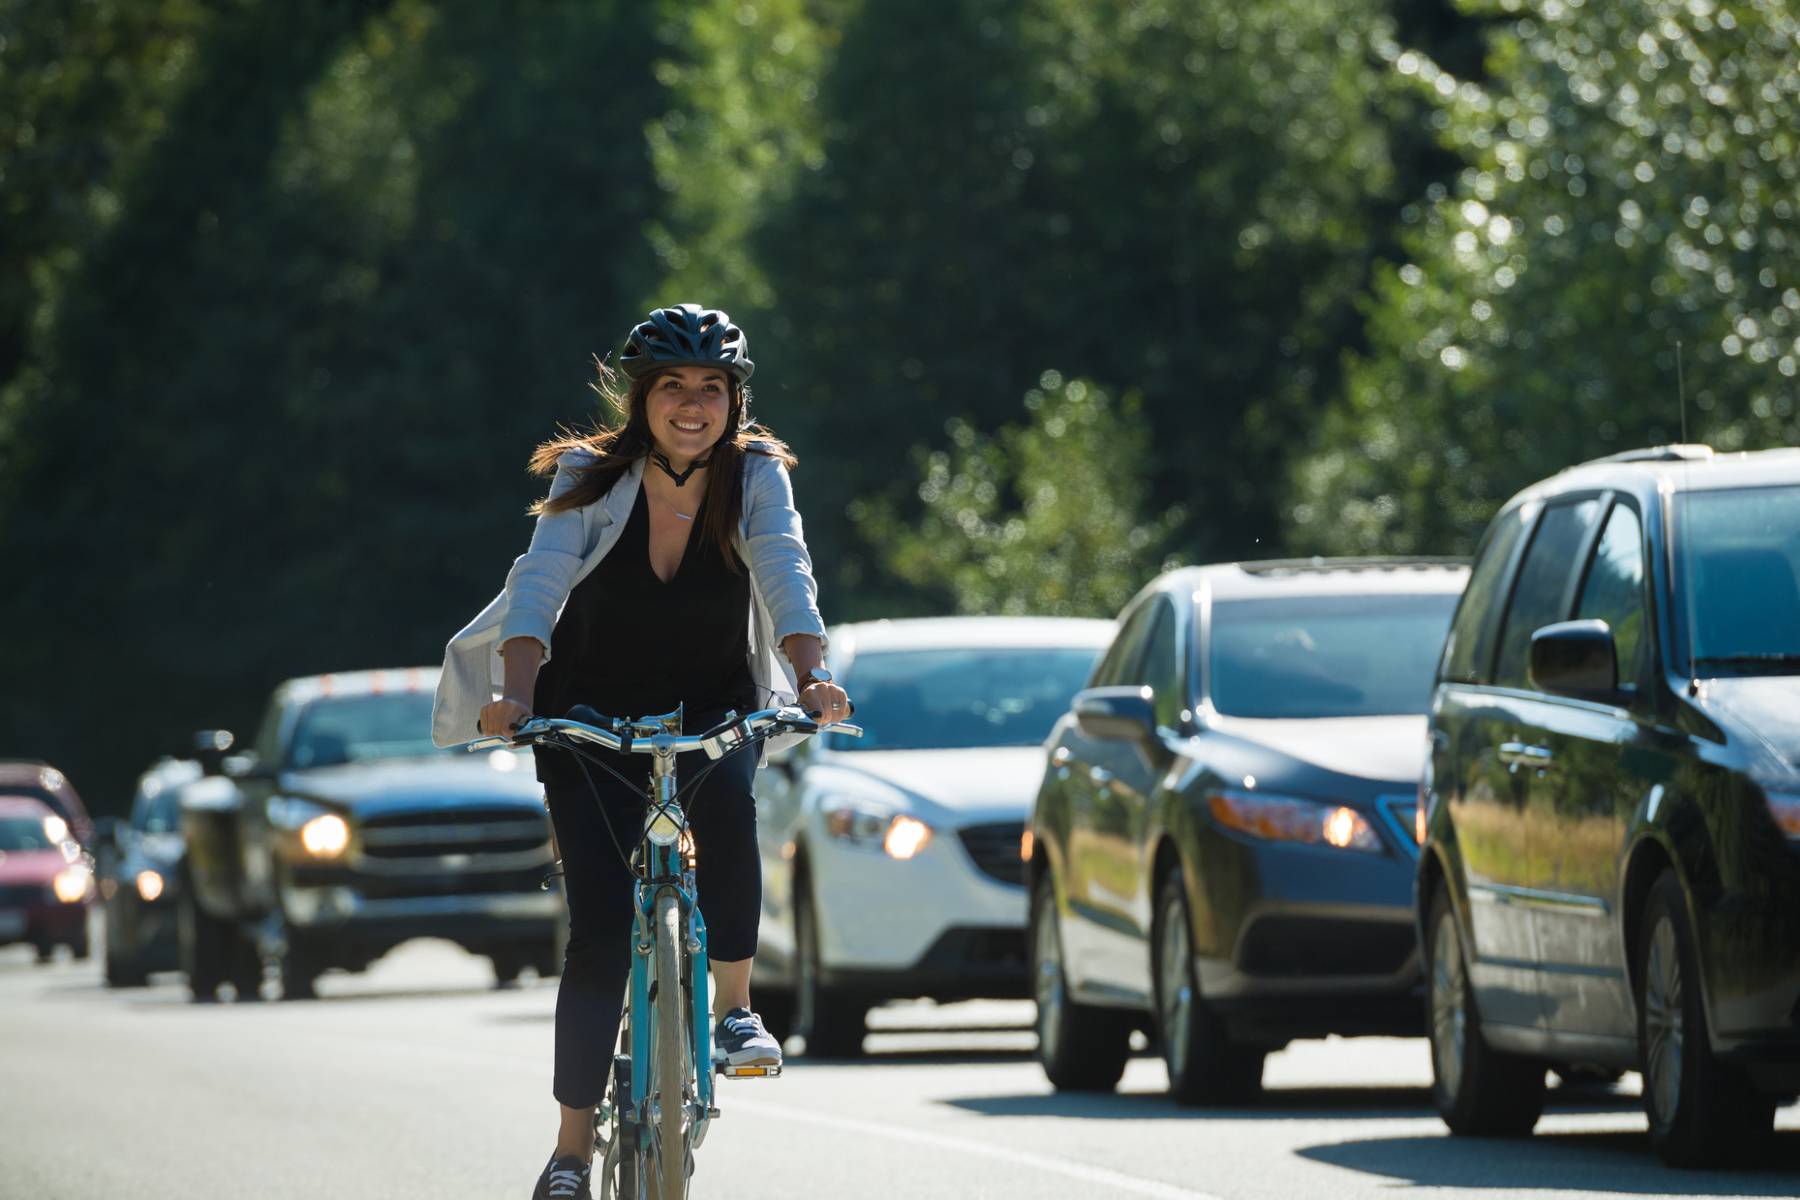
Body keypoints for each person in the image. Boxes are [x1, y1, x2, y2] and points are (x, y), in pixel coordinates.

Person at [430, 304, 851, 1200]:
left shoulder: (756, 477)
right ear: (641, 398)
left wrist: (812, 676)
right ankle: (572, 1152)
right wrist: (515, 693)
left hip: (710, 705)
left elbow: (785, 570)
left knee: (728, 809)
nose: (692, 405)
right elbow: (539, 583)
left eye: (712, 389)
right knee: (599, 938)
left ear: (735, 400)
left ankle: (735, 1012)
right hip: (587, 716)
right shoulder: (593, 473)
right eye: (673, 388)